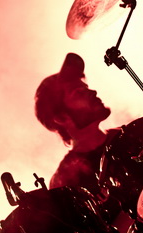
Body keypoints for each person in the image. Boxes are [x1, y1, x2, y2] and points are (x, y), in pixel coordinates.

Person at [34, 52, 116, 201]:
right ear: (61, 118)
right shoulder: (65, 182)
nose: (92, 92)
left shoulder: (132, 134)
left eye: (86, 87)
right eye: (79, 92)